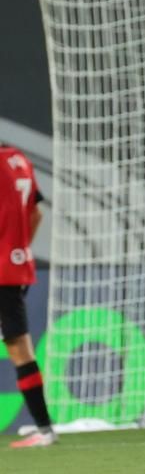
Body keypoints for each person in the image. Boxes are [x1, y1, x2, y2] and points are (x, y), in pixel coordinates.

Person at [1, 144, 57, 448]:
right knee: (20, 346)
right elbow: (34, 213)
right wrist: (17, 251)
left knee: (20, 349)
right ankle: (45, 428)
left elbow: (7, 212)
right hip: (16, 264)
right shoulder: (18, 158)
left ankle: (45, 430)